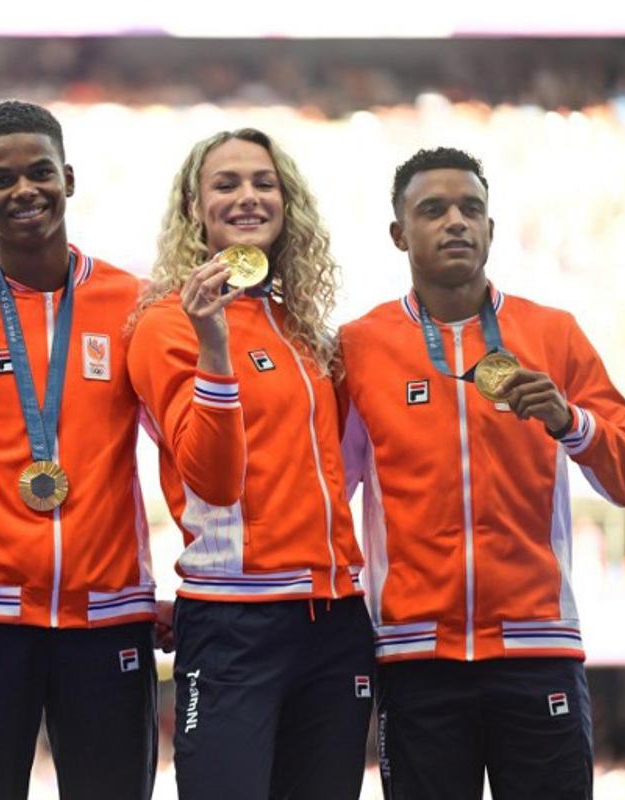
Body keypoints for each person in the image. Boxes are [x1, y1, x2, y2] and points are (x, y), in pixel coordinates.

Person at [339, 146, 625, 799]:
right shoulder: (359, 346)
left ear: (491, 228)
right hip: (416, 656)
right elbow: (323, 492)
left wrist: (574, 423)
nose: (456, 221)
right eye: (434, 209)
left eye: (471, 209)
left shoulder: (552, 333)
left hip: (537, 648)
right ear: (399, 233)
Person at [128, 128, 373, 799]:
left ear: (287, 203)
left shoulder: (304, 329)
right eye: (227, 184)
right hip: (237, 621)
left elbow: (330, 474)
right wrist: (213, 347)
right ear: (194, 209)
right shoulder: (167, 324)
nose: (248, 197)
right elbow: (211, 477)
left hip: (335, 618)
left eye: (264, 183)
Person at [0, 100, 158, 800]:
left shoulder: (133, 301)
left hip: (107, 613)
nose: (23, 191)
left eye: (40, 172)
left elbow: (181, 448)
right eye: (1, 179)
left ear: (70, 178)